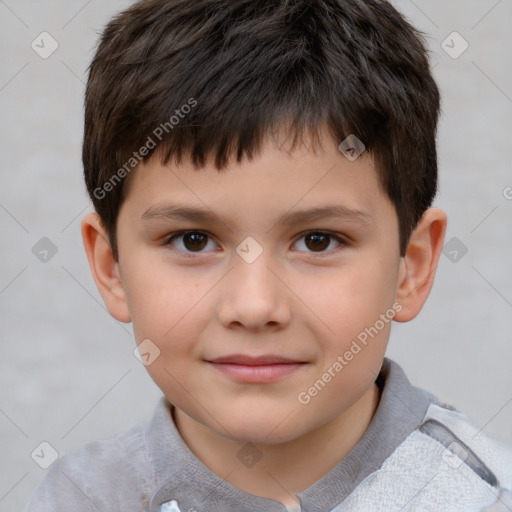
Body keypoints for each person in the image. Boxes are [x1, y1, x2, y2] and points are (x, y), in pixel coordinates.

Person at [23, 0, 512, 510]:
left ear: (410, 266)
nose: (254, 307)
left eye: (318, 240)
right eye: (193, 240)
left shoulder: (489, 497)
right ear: (111, 267)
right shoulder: (76, 500)